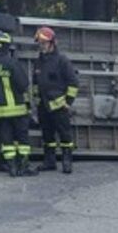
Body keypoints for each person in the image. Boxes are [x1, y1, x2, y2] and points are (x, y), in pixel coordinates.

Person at [0, 31, 37, 177]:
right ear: (8, 47)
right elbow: (23, 84)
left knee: (6, 140)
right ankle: (23, 166)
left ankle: (11, 167)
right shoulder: (12, 63)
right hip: (16, 109)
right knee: (22, 138)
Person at [33, 26, 78, 174]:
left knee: (65, 135)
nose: (42, 46)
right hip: (43, 106)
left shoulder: (62, 61)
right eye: (40, 43)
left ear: (53, 43)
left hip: (59, 107)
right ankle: (49, 161)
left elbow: (73, 83)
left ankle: (67, 161)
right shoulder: (38, 62)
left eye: (44, 43)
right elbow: (35, 83)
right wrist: (36, 100)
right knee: (47, 135)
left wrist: (68, 102)